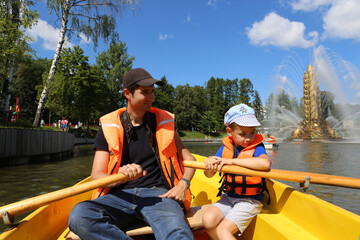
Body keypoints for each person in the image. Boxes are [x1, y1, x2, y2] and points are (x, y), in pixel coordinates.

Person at [68, 68, 197, 240]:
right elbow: (96, 175)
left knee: (178, 234)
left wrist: (183, 185)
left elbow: (190, 159)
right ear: (127, 93)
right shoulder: (108, 127)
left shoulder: (163, 123)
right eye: (145, 92)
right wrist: (120, 177)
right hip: (118, 196)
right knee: (80, 216)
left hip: (158, 195)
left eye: (152, 92)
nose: (152, 98)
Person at [202, 103, 271, 240]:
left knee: (223, 230)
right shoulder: (225, 148)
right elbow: (208, 175)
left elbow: (265, 163)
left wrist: (231, 161)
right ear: (229, 132)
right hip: (228, 197)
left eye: (252, 132)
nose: (248, 138)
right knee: (208, 220)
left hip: (250, 200)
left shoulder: (257, 147)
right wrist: (209, 166)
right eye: (243, 134)